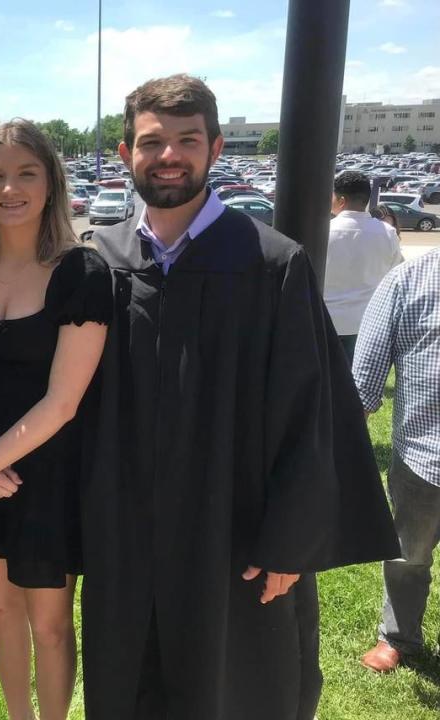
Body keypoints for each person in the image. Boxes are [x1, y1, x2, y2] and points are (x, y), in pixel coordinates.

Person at [85, 74, 399, 720]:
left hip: (233, 534)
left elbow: (307, 413)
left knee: (237, 689)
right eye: (151, 142)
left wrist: (290, 540)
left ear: (216, 148)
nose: (168, 155)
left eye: (186, 140)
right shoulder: (102, 261)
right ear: (125, 154)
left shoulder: (271, 264)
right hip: (127, 535)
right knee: (128, 685)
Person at [0, 118, 112, 720]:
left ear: (50, 182)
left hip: (49, 475)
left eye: (25, 173)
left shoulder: (82, 274)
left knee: (51, 623)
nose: (9, 188)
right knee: (3, 609)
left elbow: (63, 402)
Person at [353, 248, 440, 673]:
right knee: (410, 556)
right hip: (424, 457)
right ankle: (398, 637)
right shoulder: (409, 280)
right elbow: (365, 375)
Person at [324, 171, 404, 363]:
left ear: (341, 200)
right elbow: (397, 274)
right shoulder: (388, 233)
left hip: (327, 320)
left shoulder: (324, 231)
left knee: (328, 382)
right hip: (368, 322)